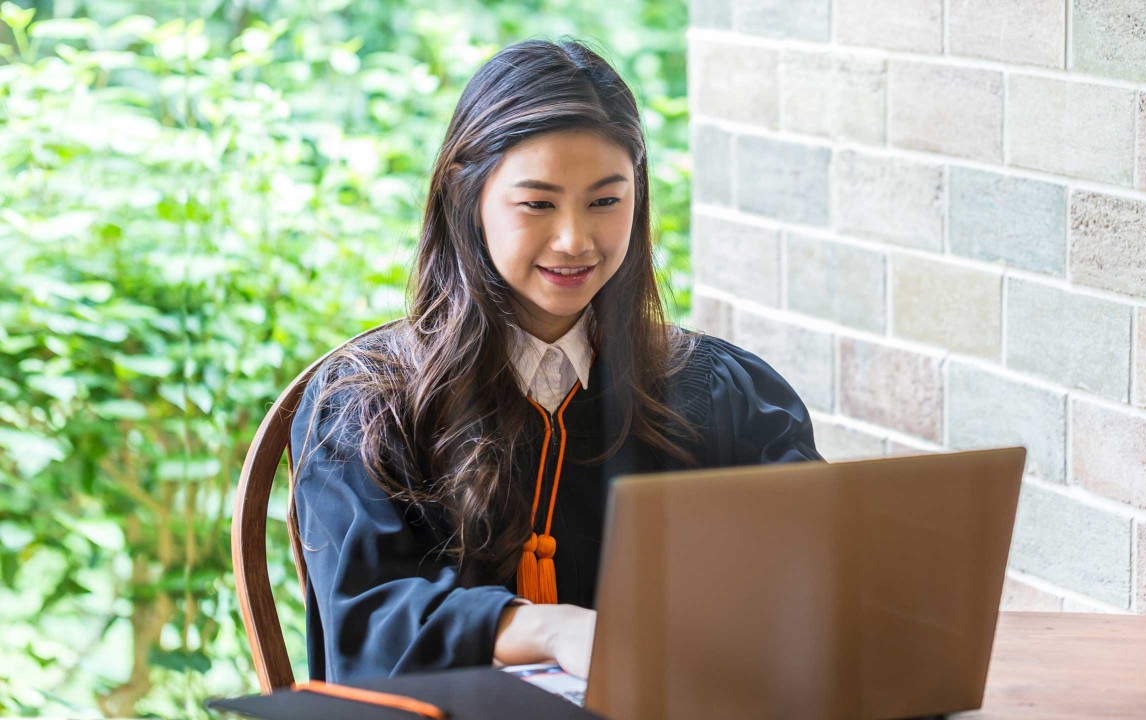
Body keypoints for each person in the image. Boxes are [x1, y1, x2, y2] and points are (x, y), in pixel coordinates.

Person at [288, 37, 825, 686]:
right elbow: (372, 621)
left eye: (606, 201)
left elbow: (819, 569)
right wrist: (553, 627)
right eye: (537, 203)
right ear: (467, 195)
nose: (575, 240)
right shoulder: (367, 405)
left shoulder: (721, 394)